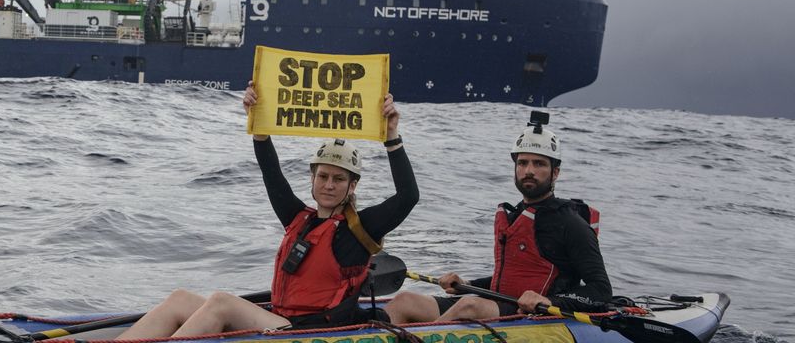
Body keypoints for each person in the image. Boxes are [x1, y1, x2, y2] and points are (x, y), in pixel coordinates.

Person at [116, 83, 419, 338]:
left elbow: (408, 196)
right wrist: (258, 122)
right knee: (180, 299)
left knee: (222, 302)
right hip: (279, 319)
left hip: (311, 333)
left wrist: (391, 135)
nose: (329, 185)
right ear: (312, 179)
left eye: (339, 179)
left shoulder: (359, 229)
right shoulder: (298, 219)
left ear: (352, 186)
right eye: (323, 176)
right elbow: (271, 172)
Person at [383, 112, 611, 323]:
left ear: (556, 172)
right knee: (405, 300)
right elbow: (509, 280)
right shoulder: (516, 215)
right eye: (522, 163)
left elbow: (600, 290)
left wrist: (550, 301)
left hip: (533, 317)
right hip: (500, 306)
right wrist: (468, 285)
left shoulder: (571, 224)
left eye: (539, 163)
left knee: (469, 306)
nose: (528, 170)